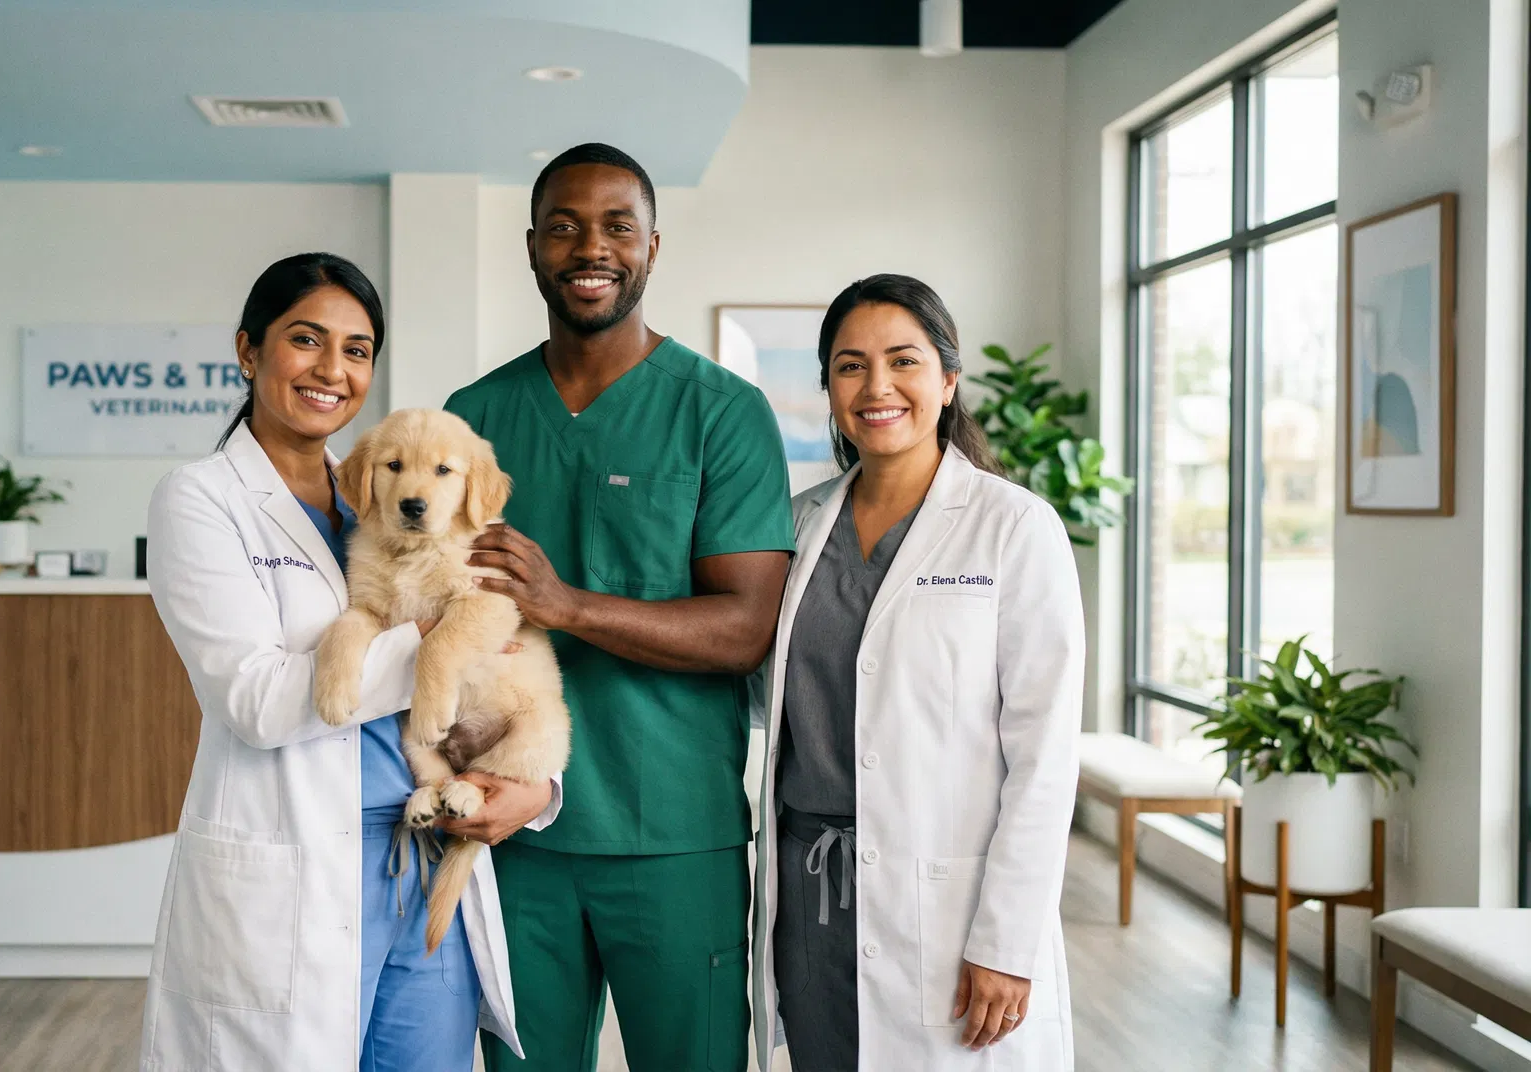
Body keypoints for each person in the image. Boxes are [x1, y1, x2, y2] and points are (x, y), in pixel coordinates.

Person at [138, 252, 559, 1072]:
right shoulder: (199, 500)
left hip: (423, 840)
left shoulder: (377, 488)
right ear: (249, 349)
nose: (333, 369)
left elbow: (510, 666)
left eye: (358, 350)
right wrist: (441, 638)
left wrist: (534, 785)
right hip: (294, 859)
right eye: (306, 340)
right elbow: (256, 703)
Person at [444, 143, 795, 1072]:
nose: (589, 247)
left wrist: (565, 605)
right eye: (563, 226)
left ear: (652, 245)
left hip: (675, 836)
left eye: (615, 226)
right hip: (515, 830)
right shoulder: (474, 416)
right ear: (530, 248)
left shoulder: (721, 412)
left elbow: (746, 628)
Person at [748, 274, 1084, 1071]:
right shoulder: (797, 526)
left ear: (948, 380)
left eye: (903, 361)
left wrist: (1008, 939)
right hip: (811, 899)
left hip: (949, 899)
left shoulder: (1014, 528)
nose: (878, 387)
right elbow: (764, 699)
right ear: (829, 387)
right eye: (850, 366)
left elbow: (1045, 757)